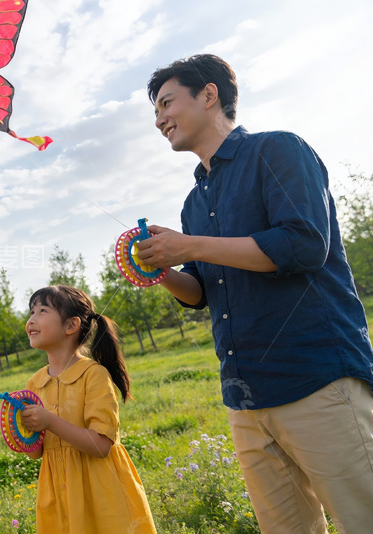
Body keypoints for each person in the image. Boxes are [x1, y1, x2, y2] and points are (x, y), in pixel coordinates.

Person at [140, 54, 373, 533]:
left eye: (167, 102)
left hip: (318, 381)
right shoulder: (194, 201)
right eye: (155, 111)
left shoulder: (278, 150)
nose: (159, 119)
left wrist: (190, 245)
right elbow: (201, 289)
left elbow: (305, 244)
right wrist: (162, 268)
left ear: (209, 95)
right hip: (246, 399)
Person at [19, 285, 156, 534]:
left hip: (100, 490)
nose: (31, 319)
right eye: (31, 311)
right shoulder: (34, 383)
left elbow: (101, 445)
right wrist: (20, 431)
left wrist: (48, 420)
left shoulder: (93, 375)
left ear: (71, 325)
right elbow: (37, 452)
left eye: (42, 311)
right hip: (57, 494)